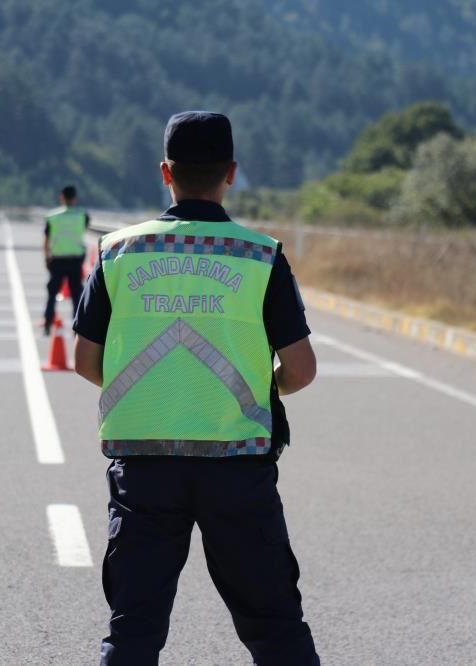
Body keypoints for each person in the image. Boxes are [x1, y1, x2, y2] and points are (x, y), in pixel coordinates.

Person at [72, 111, 320, 666]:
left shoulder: (117, 253)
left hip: (143, 463)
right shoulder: (260, 256)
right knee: (276, 626)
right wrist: (257, 393)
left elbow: (86, 360)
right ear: (231, 172)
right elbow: (300, 369)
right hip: (238, 466)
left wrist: (150, 389)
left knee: (133, 627)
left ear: (166, 172)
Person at [43, 185, 90, 335]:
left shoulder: (52, 217)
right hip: (75, 261)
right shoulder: (83, 215)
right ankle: (77, 330)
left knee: (52, 295)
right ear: (75, 198)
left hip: (57, 260)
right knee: (77, 297)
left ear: (61, 197)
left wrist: (46, 257)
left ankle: (47, 325)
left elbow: (46, 240)